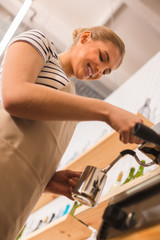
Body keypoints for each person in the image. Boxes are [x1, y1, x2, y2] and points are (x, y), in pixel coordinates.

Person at [0, 26, 142, 239]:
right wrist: (107, 110)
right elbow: (15, 96)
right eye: (102, 57)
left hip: (14, 209)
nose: (100, 71)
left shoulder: (70, 110)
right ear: (85, 38)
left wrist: (46, 180)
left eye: (106, 71)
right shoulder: (40, 42)